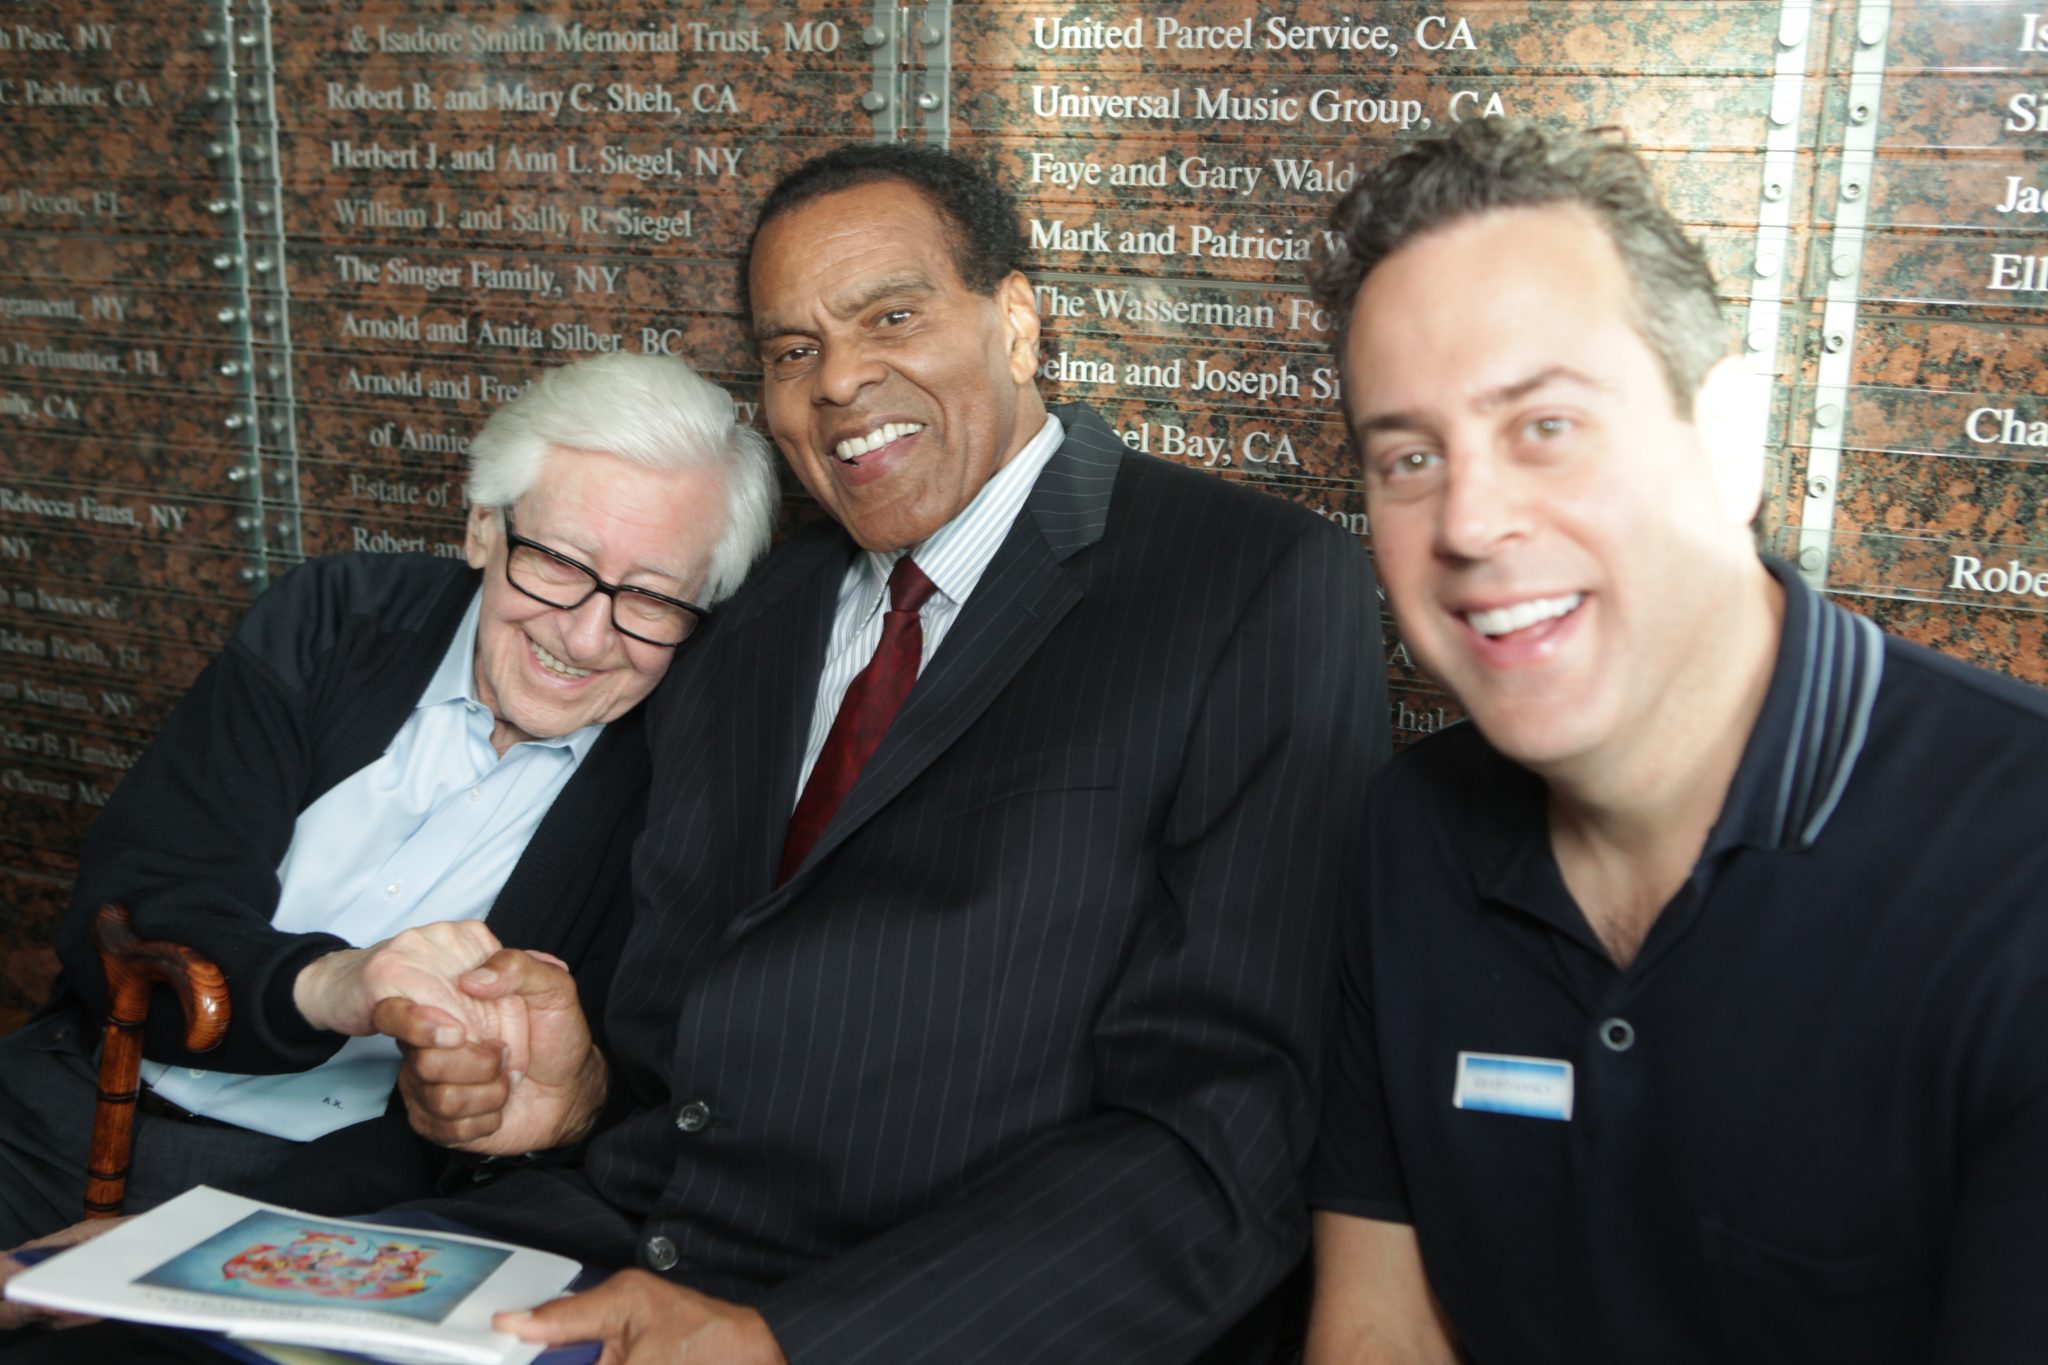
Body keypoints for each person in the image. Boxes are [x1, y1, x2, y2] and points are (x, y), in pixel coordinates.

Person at [367, 142, 1390, 1365]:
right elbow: (712, 1001)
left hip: (923, 1315)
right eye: (792, 350)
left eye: (889, 316)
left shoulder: (1249, 582)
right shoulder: (749, 614)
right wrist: (575, 1100)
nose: (838, 381)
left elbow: (1229, 1127)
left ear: (1016, 321)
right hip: (601, 1240)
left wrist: (789, 1341)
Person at [1300, 119, 2048, 1365]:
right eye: (1409, 457)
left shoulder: (2018, 862)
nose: (1472, 520)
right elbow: (1380, 1325)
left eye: (1543, 425)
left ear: (1728, 435)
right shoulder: (1409, 829)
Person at [0, 353, 777, 1246]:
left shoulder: (680, 784)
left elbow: (606, 1094)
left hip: (326, 1210)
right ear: (483, 528)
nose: (586, 634)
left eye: (650, 596)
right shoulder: (335, 619)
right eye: (558, 562)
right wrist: (338, 983)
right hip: (65, 1103)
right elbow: (139, 897)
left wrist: (198, 1242)